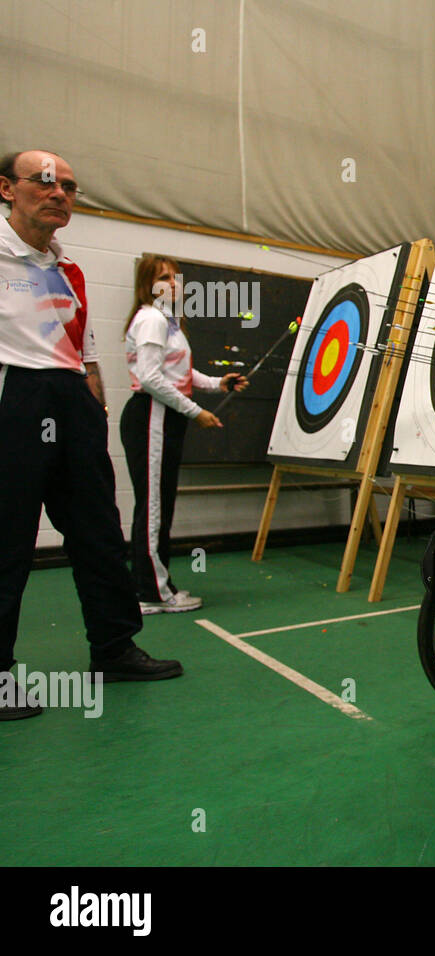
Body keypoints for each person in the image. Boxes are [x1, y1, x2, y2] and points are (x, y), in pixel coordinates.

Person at [0, 149, 183, 721]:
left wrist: (93, 396)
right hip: (15, 403)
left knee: (99, 532)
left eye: (71, 188)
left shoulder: (69, 267)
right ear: (7, 189)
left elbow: (83, 345)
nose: (60, 194)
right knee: (7, 541)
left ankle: (113, 648)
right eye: (47, 183)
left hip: (72, 398)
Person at [121, 255, 246, 613]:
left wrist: (218, 384)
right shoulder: (151, 319)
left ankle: (148, 585)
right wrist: (197, 412)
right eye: (164, 278)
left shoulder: (170, 322)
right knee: (154, 508)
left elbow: (180, 375)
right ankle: (153, 592)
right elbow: (150, 378)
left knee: (157, 504)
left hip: (163, 417)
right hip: (152, 416)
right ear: (148, 285)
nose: (174, 284)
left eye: (177, 277)